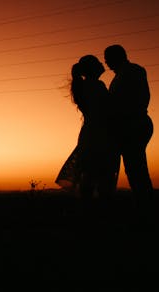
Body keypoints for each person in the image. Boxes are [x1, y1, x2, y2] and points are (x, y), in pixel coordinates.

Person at [55, 55, 120, 204]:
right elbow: (108, 109)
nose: (101, 64)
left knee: (89, 172)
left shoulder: (84, 86)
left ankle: (88, 209)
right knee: (102, 173)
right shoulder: (96, 86)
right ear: (92, 68)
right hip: (100, 134)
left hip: (90, 133)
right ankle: (97, 211)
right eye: (97, 63)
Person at [103, 44, 154, 210]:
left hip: (133, 124)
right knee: (134, 168)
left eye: (108, 59)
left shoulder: (133, 71)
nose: (106, 63)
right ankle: (143, 205)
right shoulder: (123, 74)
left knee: (136, 169)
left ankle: (145, 207)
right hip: (130, 125)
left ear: (118, 57)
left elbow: (137, 99)